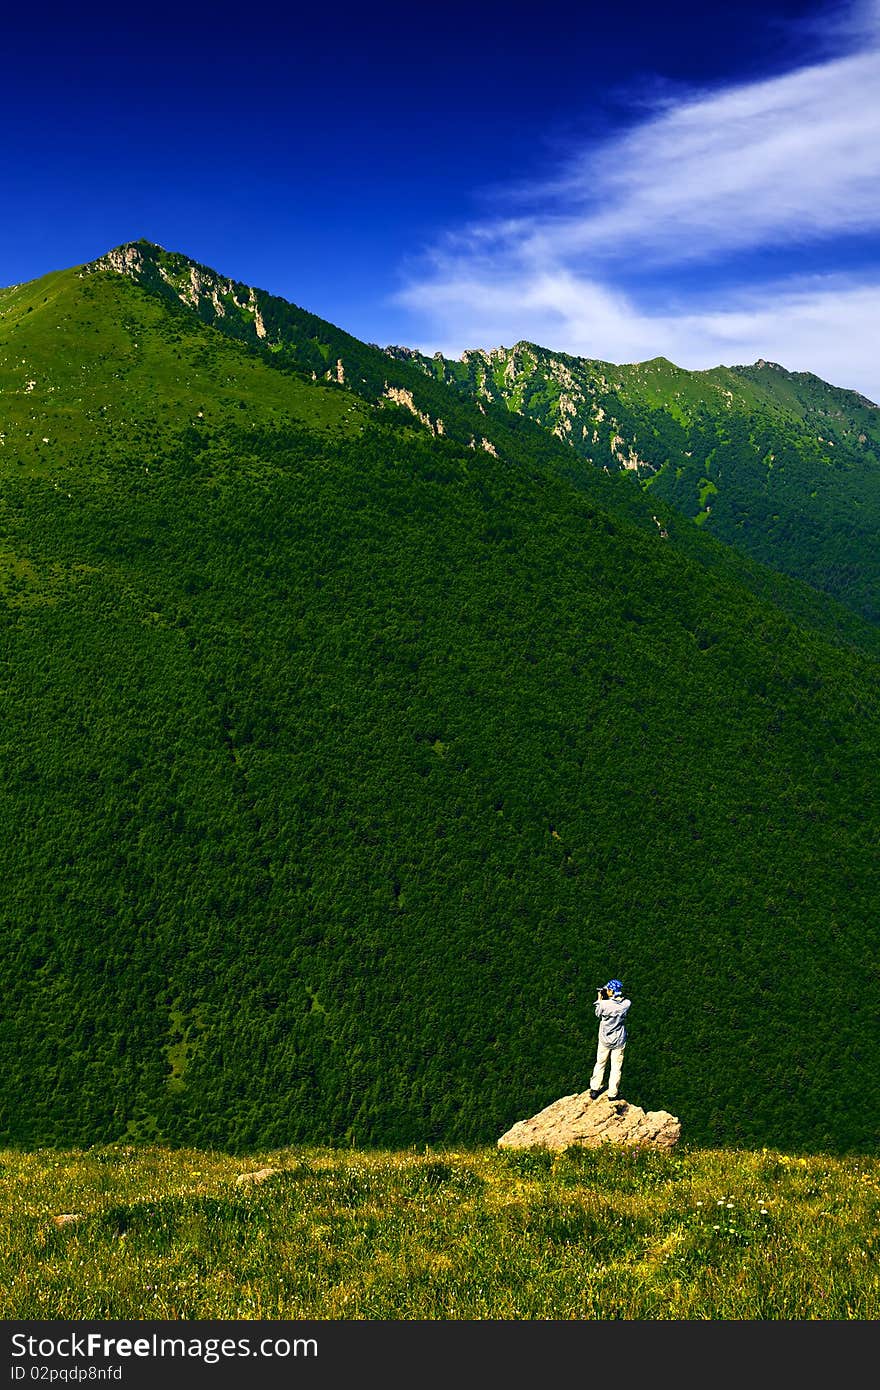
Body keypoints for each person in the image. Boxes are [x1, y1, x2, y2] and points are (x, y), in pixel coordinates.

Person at [589, 978, 631, 1101]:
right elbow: (623, 1001)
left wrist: (599, 998)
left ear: (611, 991)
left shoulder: (603, 1004)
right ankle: (613, 1094)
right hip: (619, 1039)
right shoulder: (626, 1004)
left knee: (600, 1063)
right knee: (616, 1067)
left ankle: (595, 1089)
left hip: (605, 1039)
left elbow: (598, 1013)